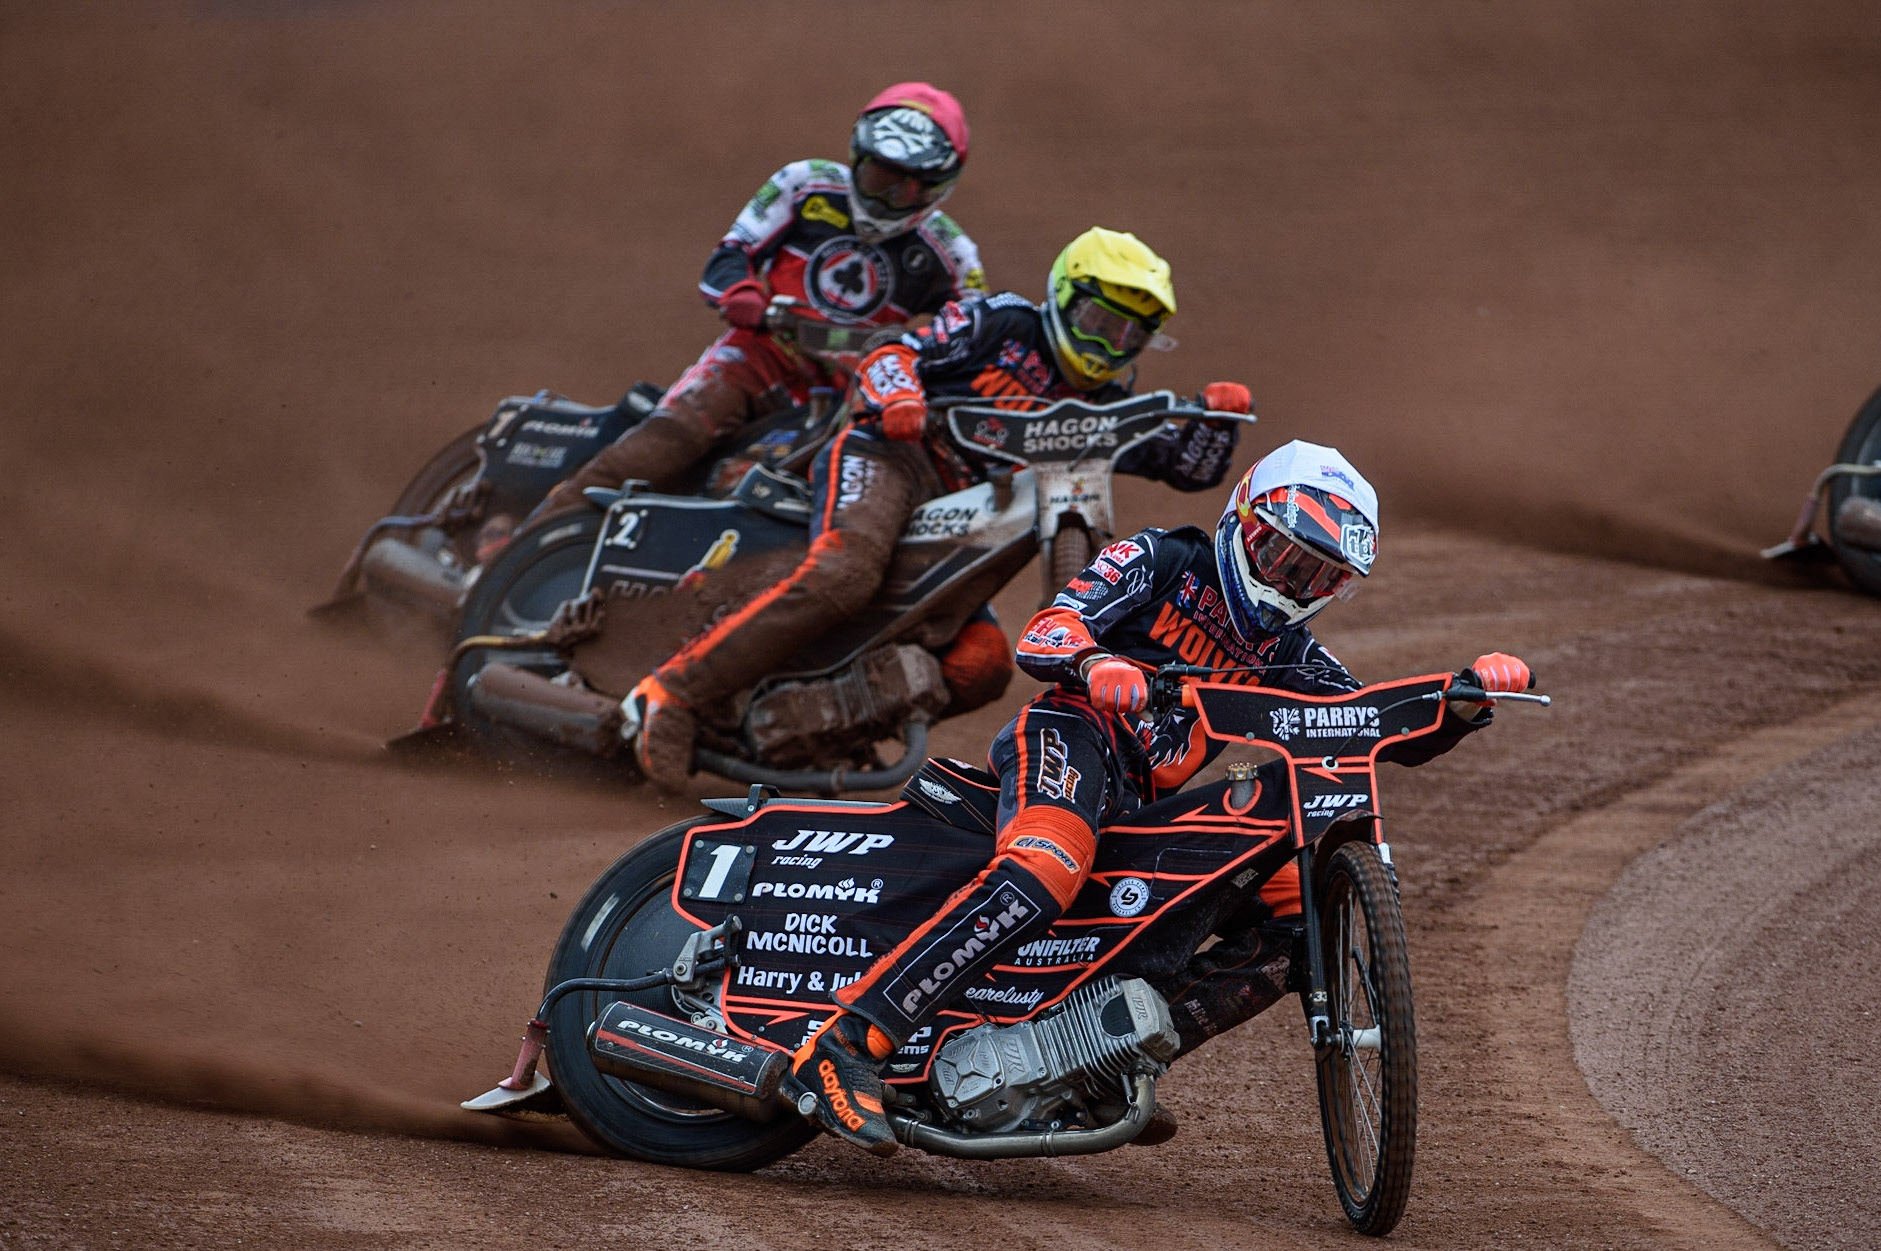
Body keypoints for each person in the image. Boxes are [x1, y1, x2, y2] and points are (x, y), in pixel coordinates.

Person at [782, 440, 1535, 1156]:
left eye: (1316, 575)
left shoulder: (1294, 656)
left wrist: (1463, 703)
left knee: (1298, 918)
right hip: (1071, 733)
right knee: (1044, 868)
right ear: (1240, 520)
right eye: (1281, 555)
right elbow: (1043, 632)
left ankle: (1101, 1060)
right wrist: (1096, 660)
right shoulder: (1164, 558)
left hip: (1139, 799)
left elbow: (1368, 728)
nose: (1287, 585)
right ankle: (845, 1042)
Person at [623, 226, 1252, 789]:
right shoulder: (1002, 321)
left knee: (982, 665)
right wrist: (900, 396)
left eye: (1127, 334)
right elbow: (896, 352)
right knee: (846, 573)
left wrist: (1217, 420)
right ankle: (672, 693)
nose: (1107, 345)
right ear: (1061, 297)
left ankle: (805, 733)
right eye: (1096, 321)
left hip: (963, 524)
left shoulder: (1104, 404)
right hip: (894, 459)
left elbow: (1184, 467)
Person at [536, 82, 987, 515]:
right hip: (761, 354)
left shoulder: (951, 252)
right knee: (674, 435)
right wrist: (741, 293)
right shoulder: (805, 184)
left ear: (938, 188)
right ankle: (533, 536)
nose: (888, 199)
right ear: (856, 156)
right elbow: (731, 254)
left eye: (907, 188)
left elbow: (976, 332)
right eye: (878, 177)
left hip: (852, 394)